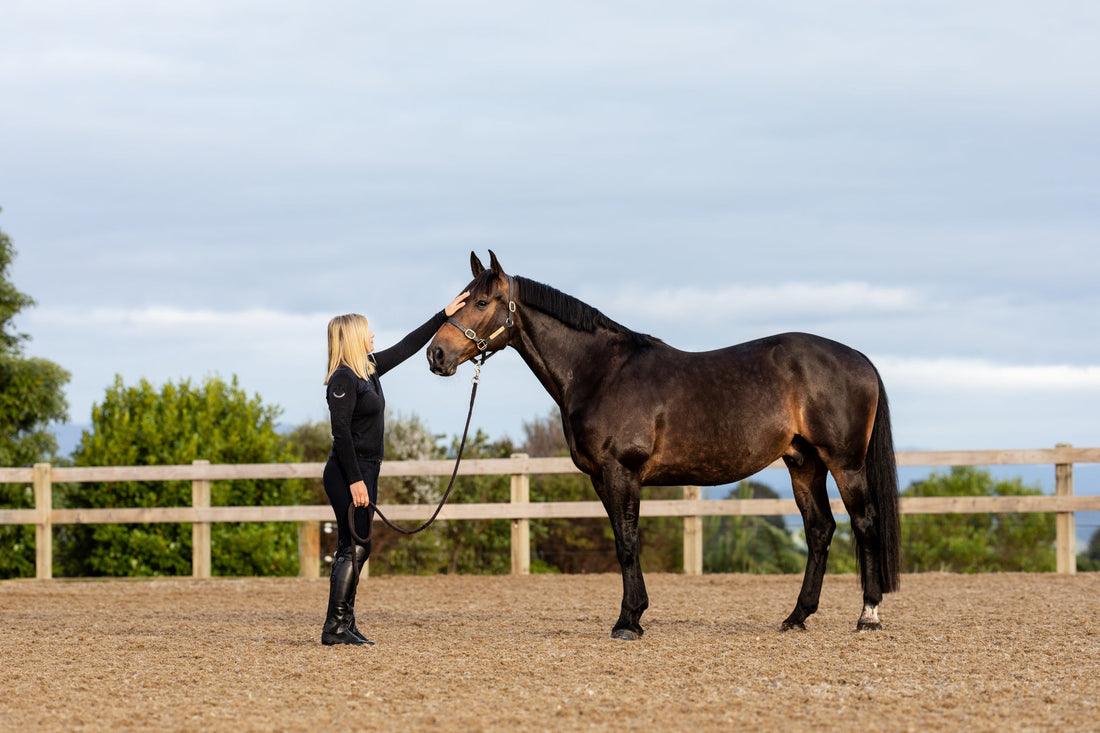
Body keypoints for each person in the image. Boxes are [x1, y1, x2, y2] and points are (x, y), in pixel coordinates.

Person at [321, 291, 468, 646]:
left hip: (367, 469)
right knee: (355, 548)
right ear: (353, 337)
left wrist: (443, 316)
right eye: (368, 332)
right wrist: (356, 481)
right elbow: (340, 434)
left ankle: (346, 623)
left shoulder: (367, 370)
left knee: (353, 546)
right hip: (348, 472)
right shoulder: (343, 379)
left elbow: (407, 347)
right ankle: (335, 627)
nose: (373, 337)